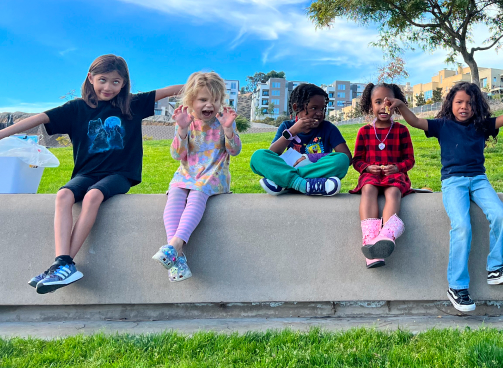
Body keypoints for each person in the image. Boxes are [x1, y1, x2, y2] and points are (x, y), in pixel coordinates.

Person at [0, 54, 183, 293]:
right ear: (91, 78)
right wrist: (3, 134)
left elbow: (175, 89)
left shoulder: (132, 105)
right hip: (86, 173)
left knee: (93, 196)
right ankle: (62, 262)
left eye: (116, 82)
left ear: (124, 83)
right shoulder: (76, 108)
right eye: (103, 80)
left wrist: (206, 83)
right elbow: (39, 118)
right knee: (63, 195)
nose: (108, 87)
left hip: (120, 174)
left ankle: (62, 266)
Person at [387, 82, 503, 312]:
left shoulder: (481, 125)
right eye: (459, 102)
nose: (464, 106)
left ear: (477, 106)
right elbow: (415, 121)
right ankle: (457, 286)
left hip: (479, 180)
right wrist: (401, 106)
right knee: (462, 226)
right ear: (450, 104)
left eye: (469, 103)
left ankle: (496, 268)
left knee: (499, 214)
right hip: (453, 181)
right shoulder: (442, 125)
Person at [152, 72, 241, 282]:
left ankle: (174, 246)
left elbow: (235, 150)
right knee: (174, 195)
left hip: (213, 174)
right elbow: (177, 155)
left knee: (196, 195)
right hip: (187, 173)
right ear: (191, 100)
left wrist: (229, 130)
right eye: (203, 99)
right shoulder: (186, 120)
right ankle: (177, 256)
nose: (210, 104)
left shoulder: (224, 121)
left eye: (215, 100)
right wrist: (181, 130)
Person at [349, 83, 415, 269]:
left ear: (395, 105)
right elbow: (357, 160)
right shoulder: (364, 132)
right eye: (378, 102)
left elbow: (410, 160)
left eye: (388, 102)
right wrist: (368, 168)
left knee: (393, 192)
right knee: (368, 189)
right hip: (372, 176)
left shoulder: (402, 130)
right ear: (370, 106)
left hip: (395, 176)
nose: (383, 106)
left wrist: (397, 167)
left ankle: (387, 235)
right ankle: (370, 242)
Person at [251, 83, 350, 197]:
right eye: (314, 108)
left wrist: (310, 157)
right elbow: (272, 153)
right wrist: (292, 132)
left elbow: (347, 157)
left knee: (341, 160)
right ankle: (303, 184)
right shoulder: (287, 126)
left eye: (322, 109)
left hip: (316, 170)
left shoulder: (329, 128)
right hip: (296, 169)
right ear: (296, 108)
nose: (319, 113)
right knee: (258, 157)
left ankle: (284, 181)